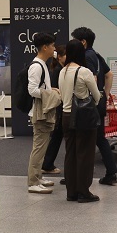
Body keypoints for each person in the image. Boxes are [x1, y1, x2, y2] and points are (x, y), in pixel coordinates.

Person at [71, 27, 117, 186]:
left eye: (75, 40)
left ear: (83, 42)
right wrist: (105, 93)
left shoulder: (85, 57)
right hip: (99, 101)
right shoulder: (97, 55)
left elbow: (91, 78)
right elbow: (109, 74)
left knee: (85, 139)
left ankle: (79, 175)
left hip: (88, 104)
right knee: (100, 138)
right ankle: (111, 173)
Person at [59, 39, 101, 203]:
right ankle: (83, 191)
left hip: (66, 115)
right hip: (83, 116)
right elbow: (96, 97)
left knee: (70, 154)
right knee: (85, 154)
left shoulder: (62, 71)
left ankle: (71, 192)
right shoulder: (84, 72)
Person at [26, 33, 60, 194]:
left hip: (43, 111)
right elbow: (32, 90)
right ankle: (33, 182)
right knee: (39, 148)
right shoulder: (36, 66)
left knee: (42, 146)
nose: (54, 49)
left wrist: (49, 90)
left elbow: (40, 88)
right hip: (39, 113)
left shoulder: (43, 64)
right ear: (45, 47)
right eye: (52, 46)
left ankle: (38, 177)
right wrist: (50, 94)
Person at [41, 44, 66, 176]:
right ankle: (47, 164)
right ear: (60, 56)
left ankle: (47, 163)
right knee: (57, 136)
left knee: (57, 136)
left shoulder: (60, 68)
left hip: (60, 108)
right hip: (59, 108)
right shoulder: (57, 70)